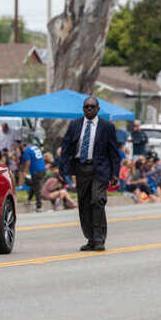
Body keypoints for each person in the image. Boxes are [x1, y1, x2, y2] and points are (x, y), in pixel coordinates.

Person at [60, 96, 120, 251]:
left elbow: (114, 152)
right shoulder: (74, 125)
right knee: (84, 204)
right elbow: (66, 148)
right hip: (81, 169)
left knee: (97, 200)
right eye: (86, 107)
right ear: (83, 109)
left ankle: (100, 239)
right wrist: (63, 170)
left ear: (98, 109)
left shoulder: (107, 127)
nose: (89, 109)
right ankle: (91, 238)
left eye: (92, 106)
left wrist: (115, 174)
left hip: (100, 169)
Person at [20, 140, 46, 212]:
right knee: (34, 184)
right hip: (43, 169)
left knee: (37, 188)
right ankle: (29, 200)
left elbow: (28, 162)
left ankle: (39, 206)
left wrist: (25, 172)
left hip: (36, 171)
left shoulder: (27, 151)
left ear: (23, 147)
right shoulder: (35, 147)